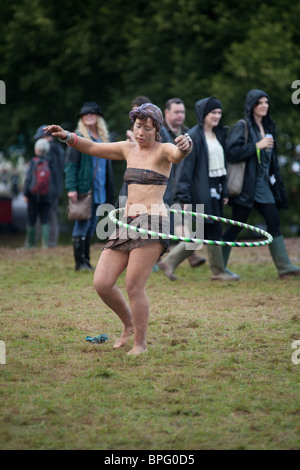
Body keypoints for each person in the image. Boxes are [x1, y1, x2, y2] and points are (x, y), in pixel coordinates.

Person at [44, 103, 193, 355]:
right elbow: (91, 147)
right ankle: (129, 325)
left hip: (153, 222)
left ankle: (140, 345)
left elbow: (178, 154)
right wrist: (67, 136)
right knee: (102, 282)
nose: (141, 133)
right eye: (138, 127)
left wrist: (185, 145)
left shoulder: (164, 150)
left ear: (157, 130)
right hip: (127, 221)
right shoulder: (127, 149)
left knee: (133, 285)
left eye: (147, 128)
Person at [159, 96, 240, 282]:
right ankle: (216, 270)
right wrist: (183, 196)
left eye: (219, 112)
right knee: (207, 230)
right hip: (199, 191)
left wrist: (225, 191)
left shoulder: (219, 134)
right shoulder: (194, 136)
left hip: (216, 189)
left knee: (208, 231)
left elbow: (222, 165)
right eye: (213, 112)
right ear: (204, 114)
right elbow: (185, 169)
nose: (217, 116)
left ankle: (174, 262)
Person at [222, 89, 300, 278]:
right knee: (237, 225)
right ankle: (219, 266)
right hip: (246, 186)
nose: (264, 105)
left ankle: (285, 267)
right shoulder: (243, 126)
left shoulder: (268, 126)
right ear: (252, 106)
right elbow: (231, 153)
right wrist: (257, 146)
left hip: (263, 185)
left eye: (266, 102)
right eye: (260, 102)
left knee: (274, 220)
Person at [64, 102, 115, 271]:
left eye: (92, 113)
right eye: (85, 114)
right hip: (84, 188)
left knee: (92, 224)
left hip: (99, 188)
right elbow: (70, 165)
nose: (89, 116)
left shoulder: (103, 140)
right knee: (82, 224)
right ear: (82, 118)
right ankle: (80, 263)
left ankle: (86, 261)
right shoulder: (78, 138)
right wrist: (71, 188)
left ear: (98, 117)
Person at [158, 98, 206, 273]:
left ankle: (188, 255)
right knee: (162, 224)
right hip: (162, 185)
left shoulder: (187, 134)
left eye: (183, 112)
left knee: (179, 220)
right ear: (167, 113)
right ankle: (185, 255)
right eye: (176, 112)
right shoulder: (159, 132)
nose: (180, 115)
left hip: (180, 186)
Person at [33, 125, 65, 247]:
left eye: (39, 138)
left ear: (46, 137)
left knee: (47, 215)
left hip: (47, 189)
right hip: (55, 189)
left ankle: (46, 243)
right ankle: (48, 242)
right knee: (51, 215)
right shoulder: (59, 149)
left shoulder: (48, 151)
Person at [23, 139, 55, 248]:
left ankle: (30, 245)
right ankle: (45, 245)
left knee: (31, 218)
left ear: (36, 149)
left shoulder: (34, 161)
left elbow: (28, 179)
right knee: (45, 218)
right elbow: (53, 180)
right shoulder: (50, 162)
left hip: (33, 195)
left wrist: (25, 194)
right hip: (47, 195)